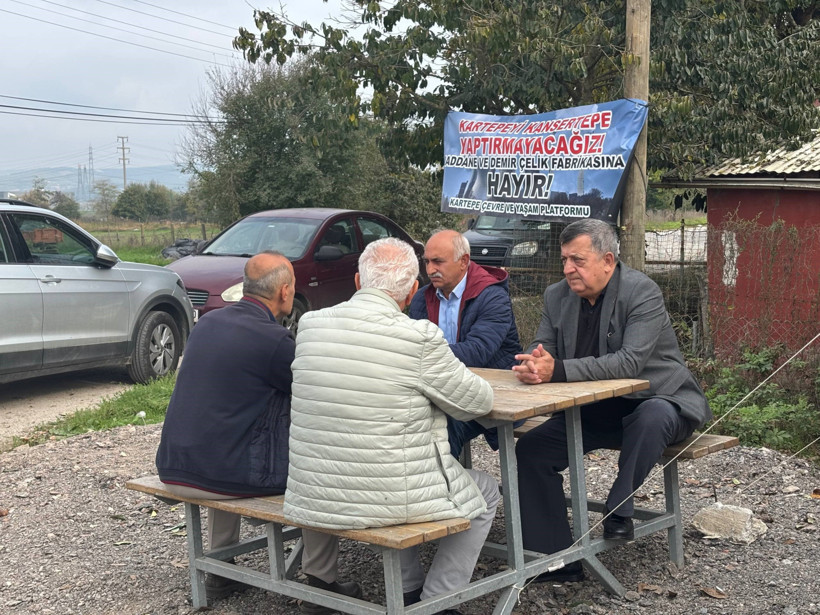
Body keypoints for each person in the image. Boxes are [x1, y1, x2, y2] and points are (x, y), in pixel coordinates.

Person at [284, 237, 500, 615]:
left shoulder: (311, 325)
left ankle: (412, 587)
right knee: (485, 493)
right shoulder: (418, 338)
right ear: (412, 290)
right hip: (382, 494)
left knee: (397, 482)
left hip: (316, 489)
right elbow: (477, 403)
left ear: (357, 281)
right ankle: (438, 601)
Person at [512, 219, 712, 583]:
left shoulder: (641, 291)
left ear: (607, 260)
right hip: (594, 408)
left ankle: (619, 508)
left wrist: (555, 370)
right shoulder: (557, 296)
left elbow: (630, 362)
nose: (568, 269)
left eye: (578, 260)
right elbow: (542, 349)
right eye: (565, 260)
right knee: (531, 449)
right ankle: (554, 560)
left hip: (659, 398)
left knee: (651, 417)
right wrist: (533, 364)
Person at [155, 251, 359, 606]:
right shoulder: (275, 341)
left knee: (226, 435)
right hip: (220, 478)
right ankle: (321, 583)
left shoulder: (208, 323)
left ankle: (220, 568)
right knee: (317, 466)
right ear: (284, 292)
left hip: (175, 466)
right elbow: (314, 398)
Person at [409, 229, 521, 459]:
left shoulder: (492, 296)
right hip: (442, 388)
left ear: (464, 262)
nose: (430, 270)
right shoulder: (422, 297)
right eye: (427, 262)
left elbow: (476, 352)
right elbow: (412, 345)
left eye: (438, 262)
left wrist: (422, 355)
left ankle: (444, 489)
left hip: (493, 391)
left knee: (441, 427)